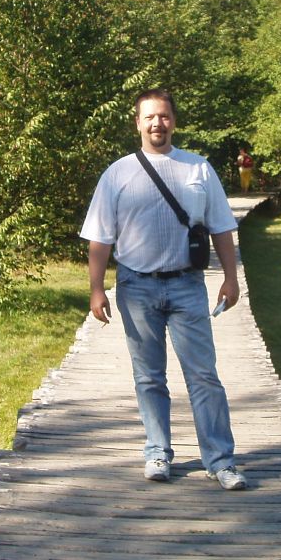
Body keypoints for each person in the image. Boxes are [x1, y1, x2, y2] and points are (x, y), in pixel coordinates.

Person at [80, 88, 248, 491]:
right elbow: (100, 238)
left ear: (174, 121)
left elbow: (221, 227)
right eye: (150, 117)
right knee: (149, 377)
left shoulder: (198, 169)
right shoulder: (117, 174)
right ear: (137, 123)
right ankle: (157, 452)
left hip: (188, 286)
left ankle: (220, 461)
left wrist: (231, 277)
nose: (158, 123)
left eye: (164, 116)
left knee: (203, 375)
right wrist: (97, 289)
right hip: (136, 288)